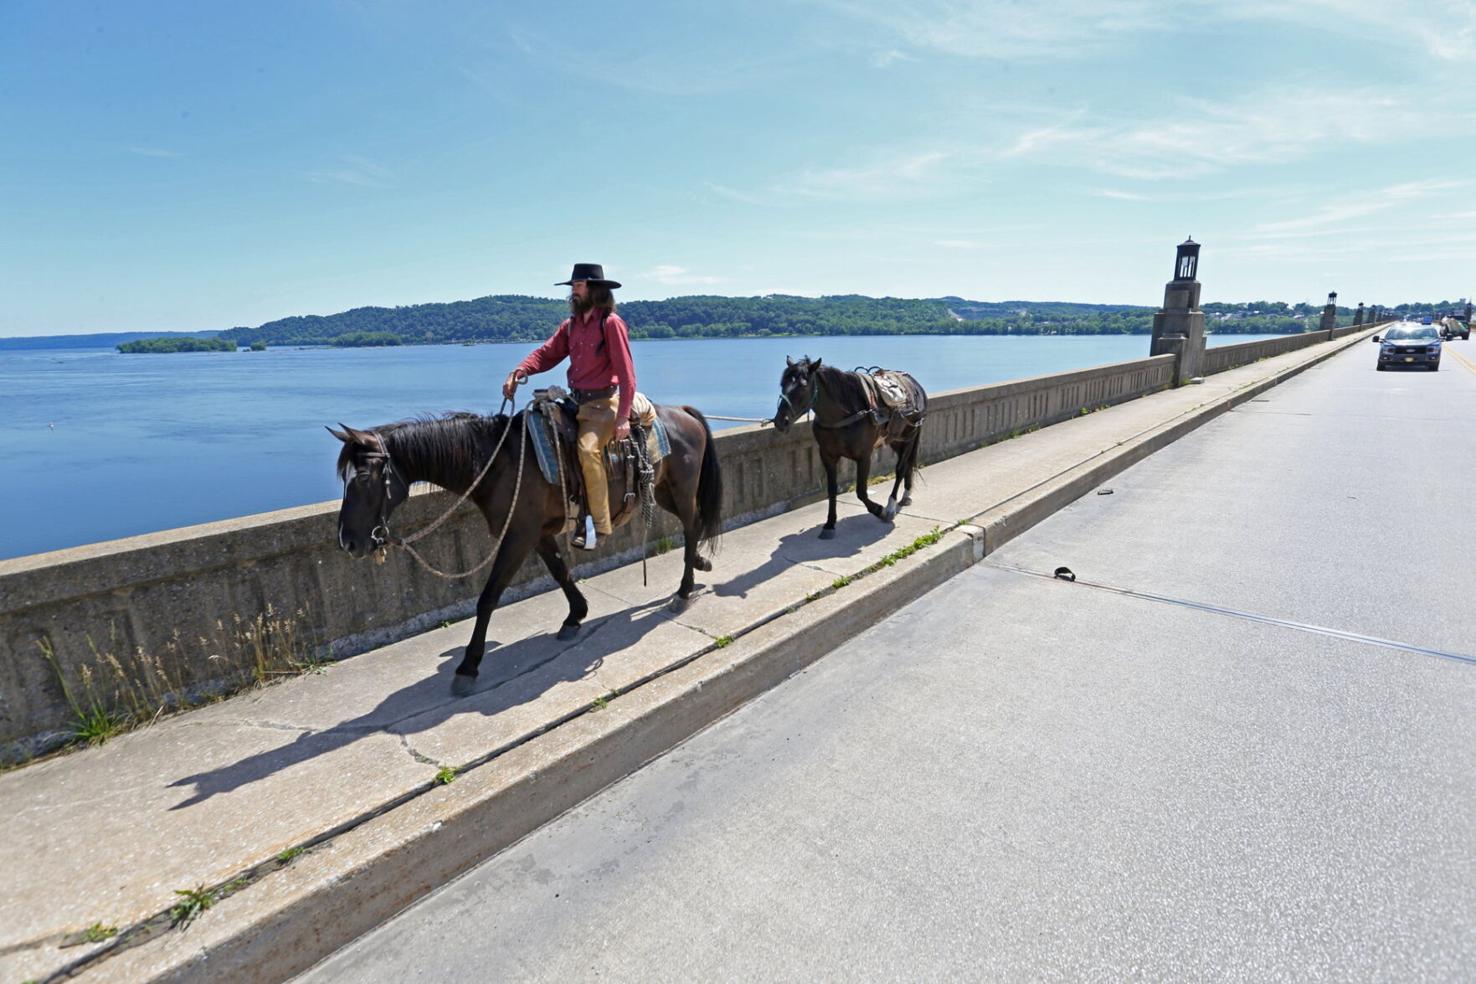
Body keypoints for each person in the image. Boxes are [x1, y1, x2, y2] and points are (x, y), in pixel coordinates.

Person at [503, 263, 636, 550]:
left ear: (594, 289)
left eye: (578, 285)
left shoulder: (610, 323)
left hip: (603, 404)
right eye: (573, 286)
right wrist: (520, 371)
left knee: (588, 451)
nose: (573, 291)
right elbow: (546, 354)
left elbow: (627, 376)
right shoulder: (571, 325)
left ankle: (600, 525)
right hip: (576, 401)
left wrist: (623, 417)